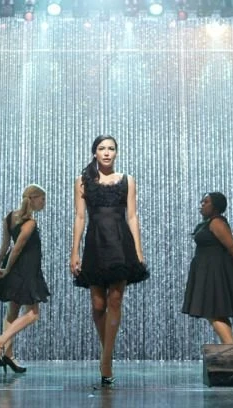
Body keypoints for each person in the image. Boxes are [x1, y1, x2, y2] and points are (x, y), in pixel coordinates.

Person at [70, 135, 149, 386]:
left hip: (120, 243)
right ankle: (107, 351)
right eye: (102, 148)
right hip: (95, 244)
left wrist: (138, 250)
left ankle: (106, 361)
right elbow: (80, 217)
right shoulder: (83, 181)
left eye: (111, 149)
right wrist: (74, 252)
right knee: (97, 305)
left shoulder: (127, 180)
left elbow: (132, 216)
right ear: (94, 152)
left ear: (116, 153)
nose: (106, 152)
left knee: (115, 300)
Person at [0, 184, 50, 373]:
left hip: (13, 267)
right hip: (26, 269)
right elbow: (17, 248)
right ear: (33, 198)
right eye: (43, 199)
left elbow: (5, 245)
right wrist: (5, 269)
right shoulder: (30, 222)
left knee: (12, 311)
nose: (44, 203)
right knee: (33, 314)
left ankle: (7, 354)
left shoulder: (9, 217)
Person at [182, 192, 233, 344]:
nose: (202, 204)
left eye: (206, 202)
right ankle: (230, 345)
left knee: (212, 309)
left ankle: (230, 345)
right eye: (202, 201)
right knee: (216, 311)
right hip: (207, 268)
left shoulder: (217, 222)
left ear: (216, 206)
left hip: (215, 270)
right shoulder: (210, 222)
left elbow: (232, 247)